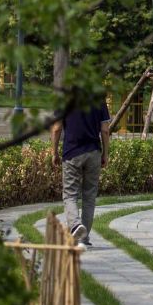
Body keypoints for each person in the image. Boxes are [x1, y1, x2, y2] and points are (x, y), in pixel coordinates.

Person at [51, 96, 111, 246]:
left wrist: (54, 152)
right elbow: (105, 130)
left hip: (72, 153)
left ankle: (75, 225)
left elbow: (57, 128)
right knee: (89, 196)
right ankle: (84, 238)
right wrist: (105, 153)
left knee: (70, 194)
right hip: (94, 152)